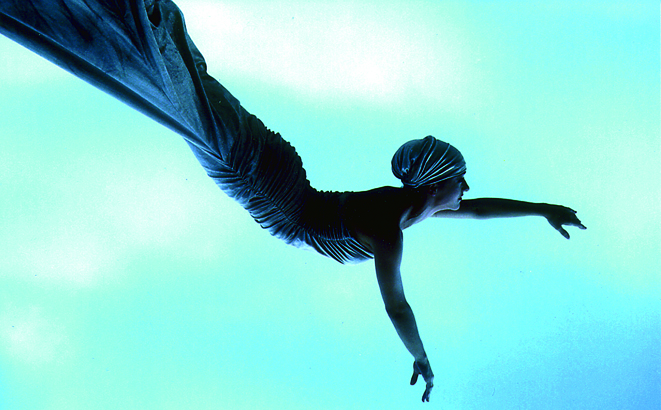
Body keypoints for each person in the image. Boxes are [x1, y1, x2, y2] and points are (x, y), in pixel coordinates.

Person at [0, 0, 585, 402]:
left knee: (180, 81)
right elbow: (397, 307)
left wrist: (542, 209)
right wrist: (422, 357)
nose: (466, 191)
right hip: (264, 181)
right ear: (437, 183)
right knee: (171, 83)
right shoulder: (390, 226)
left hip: (275, 172)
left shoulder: (413, 208)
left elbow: (480, 208)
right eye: (462, 181)